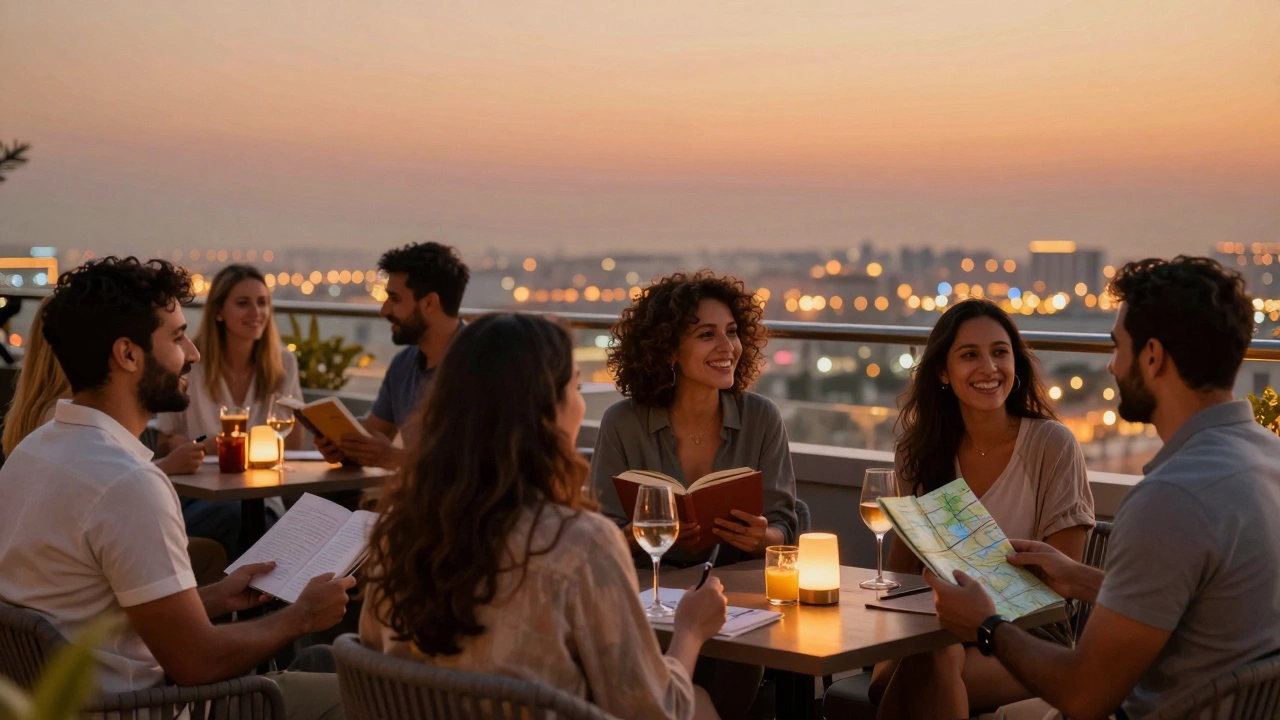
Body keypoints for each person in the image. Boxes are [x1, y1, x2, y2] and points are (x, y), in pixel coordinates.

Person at [0, 256, 354, 720]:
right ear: (128, 354)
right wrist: (302, 616)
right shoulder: (128, 483)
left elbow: (88, 611)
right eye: (176, 336)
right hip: (147, 707)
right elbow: (197, 662)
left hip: (63, 700)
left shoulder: (35, 452)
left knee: (323, 664)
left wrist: (213, 596)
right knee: (367, 698)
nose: (193, 352)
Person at [928, 256, 1280, 720]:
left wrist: (987, 624)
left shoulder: (1171, 499)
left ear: (1152, 357)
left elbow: (1082, 695)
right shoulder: (1267, 458)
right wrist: (1084, 580)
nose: (1112, 365)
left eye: (1118, 346)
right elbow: (1204, 610)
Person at [359, 313, 728, 720]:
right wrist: (690, 631)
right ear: (549, 411)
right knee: (703, 703)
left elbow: (378, 660)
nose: (580, 401)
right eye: (577, 387)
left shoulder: (400, 532)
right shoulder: (577, 543)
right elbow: (656, 711)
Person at [866, 298, 1095, 718]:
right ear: (942, 371)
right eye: (969, 355)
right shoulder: (919, 450)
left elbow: (1061, 582)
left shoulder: (1051, 445)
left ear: (1016, 364)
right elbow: (902, 574)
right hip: (930, 625)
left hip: (1029, 634)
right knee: (928, 656)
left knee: (937, 661)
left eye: (1000, 352)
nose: (989, 368)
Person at [0, 297, 225, 585]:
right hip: (88, 577)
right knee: (221, 532)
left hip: (54, 587)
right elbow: (107, 486)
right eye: (177, 338)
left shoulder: (38, 434)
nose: (192, 354)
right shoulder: (71, 423)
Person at [590, 271, 798, 568]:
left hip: (737, 595)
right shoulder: (621, 423)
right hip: (651, 596)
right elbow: (601, 536)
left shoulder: (762, 418)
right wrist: (643, 535)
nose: (728, 347)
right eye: (707, 334)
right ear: (669, 349)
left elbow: (785, 528)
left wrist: (762, 539)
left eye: (732, 331)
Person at [154, 264, 304, 558]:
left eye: (263, 303)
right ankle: (262, 600)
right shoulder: (188, 362)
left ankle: (258, 600)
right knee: (245, 520)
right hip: (198, 493)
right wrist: (202, 447)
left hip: (260, 493)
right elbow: (161, 442)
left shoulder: (283, 363)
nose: (256, 313)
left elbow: (291, 443)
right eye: (243, 303)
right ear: (219, 312)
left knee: (266, 519)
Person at [315, 242, 469, 469]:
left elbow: (485, 469)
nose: (384, 311)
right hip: (412, 503)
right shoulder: (403, 364)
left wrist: (395, 459)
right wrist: (342, 448)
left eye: (395, 299)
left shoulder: (482, 368)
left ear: (429, 303)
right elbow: (372, 435)